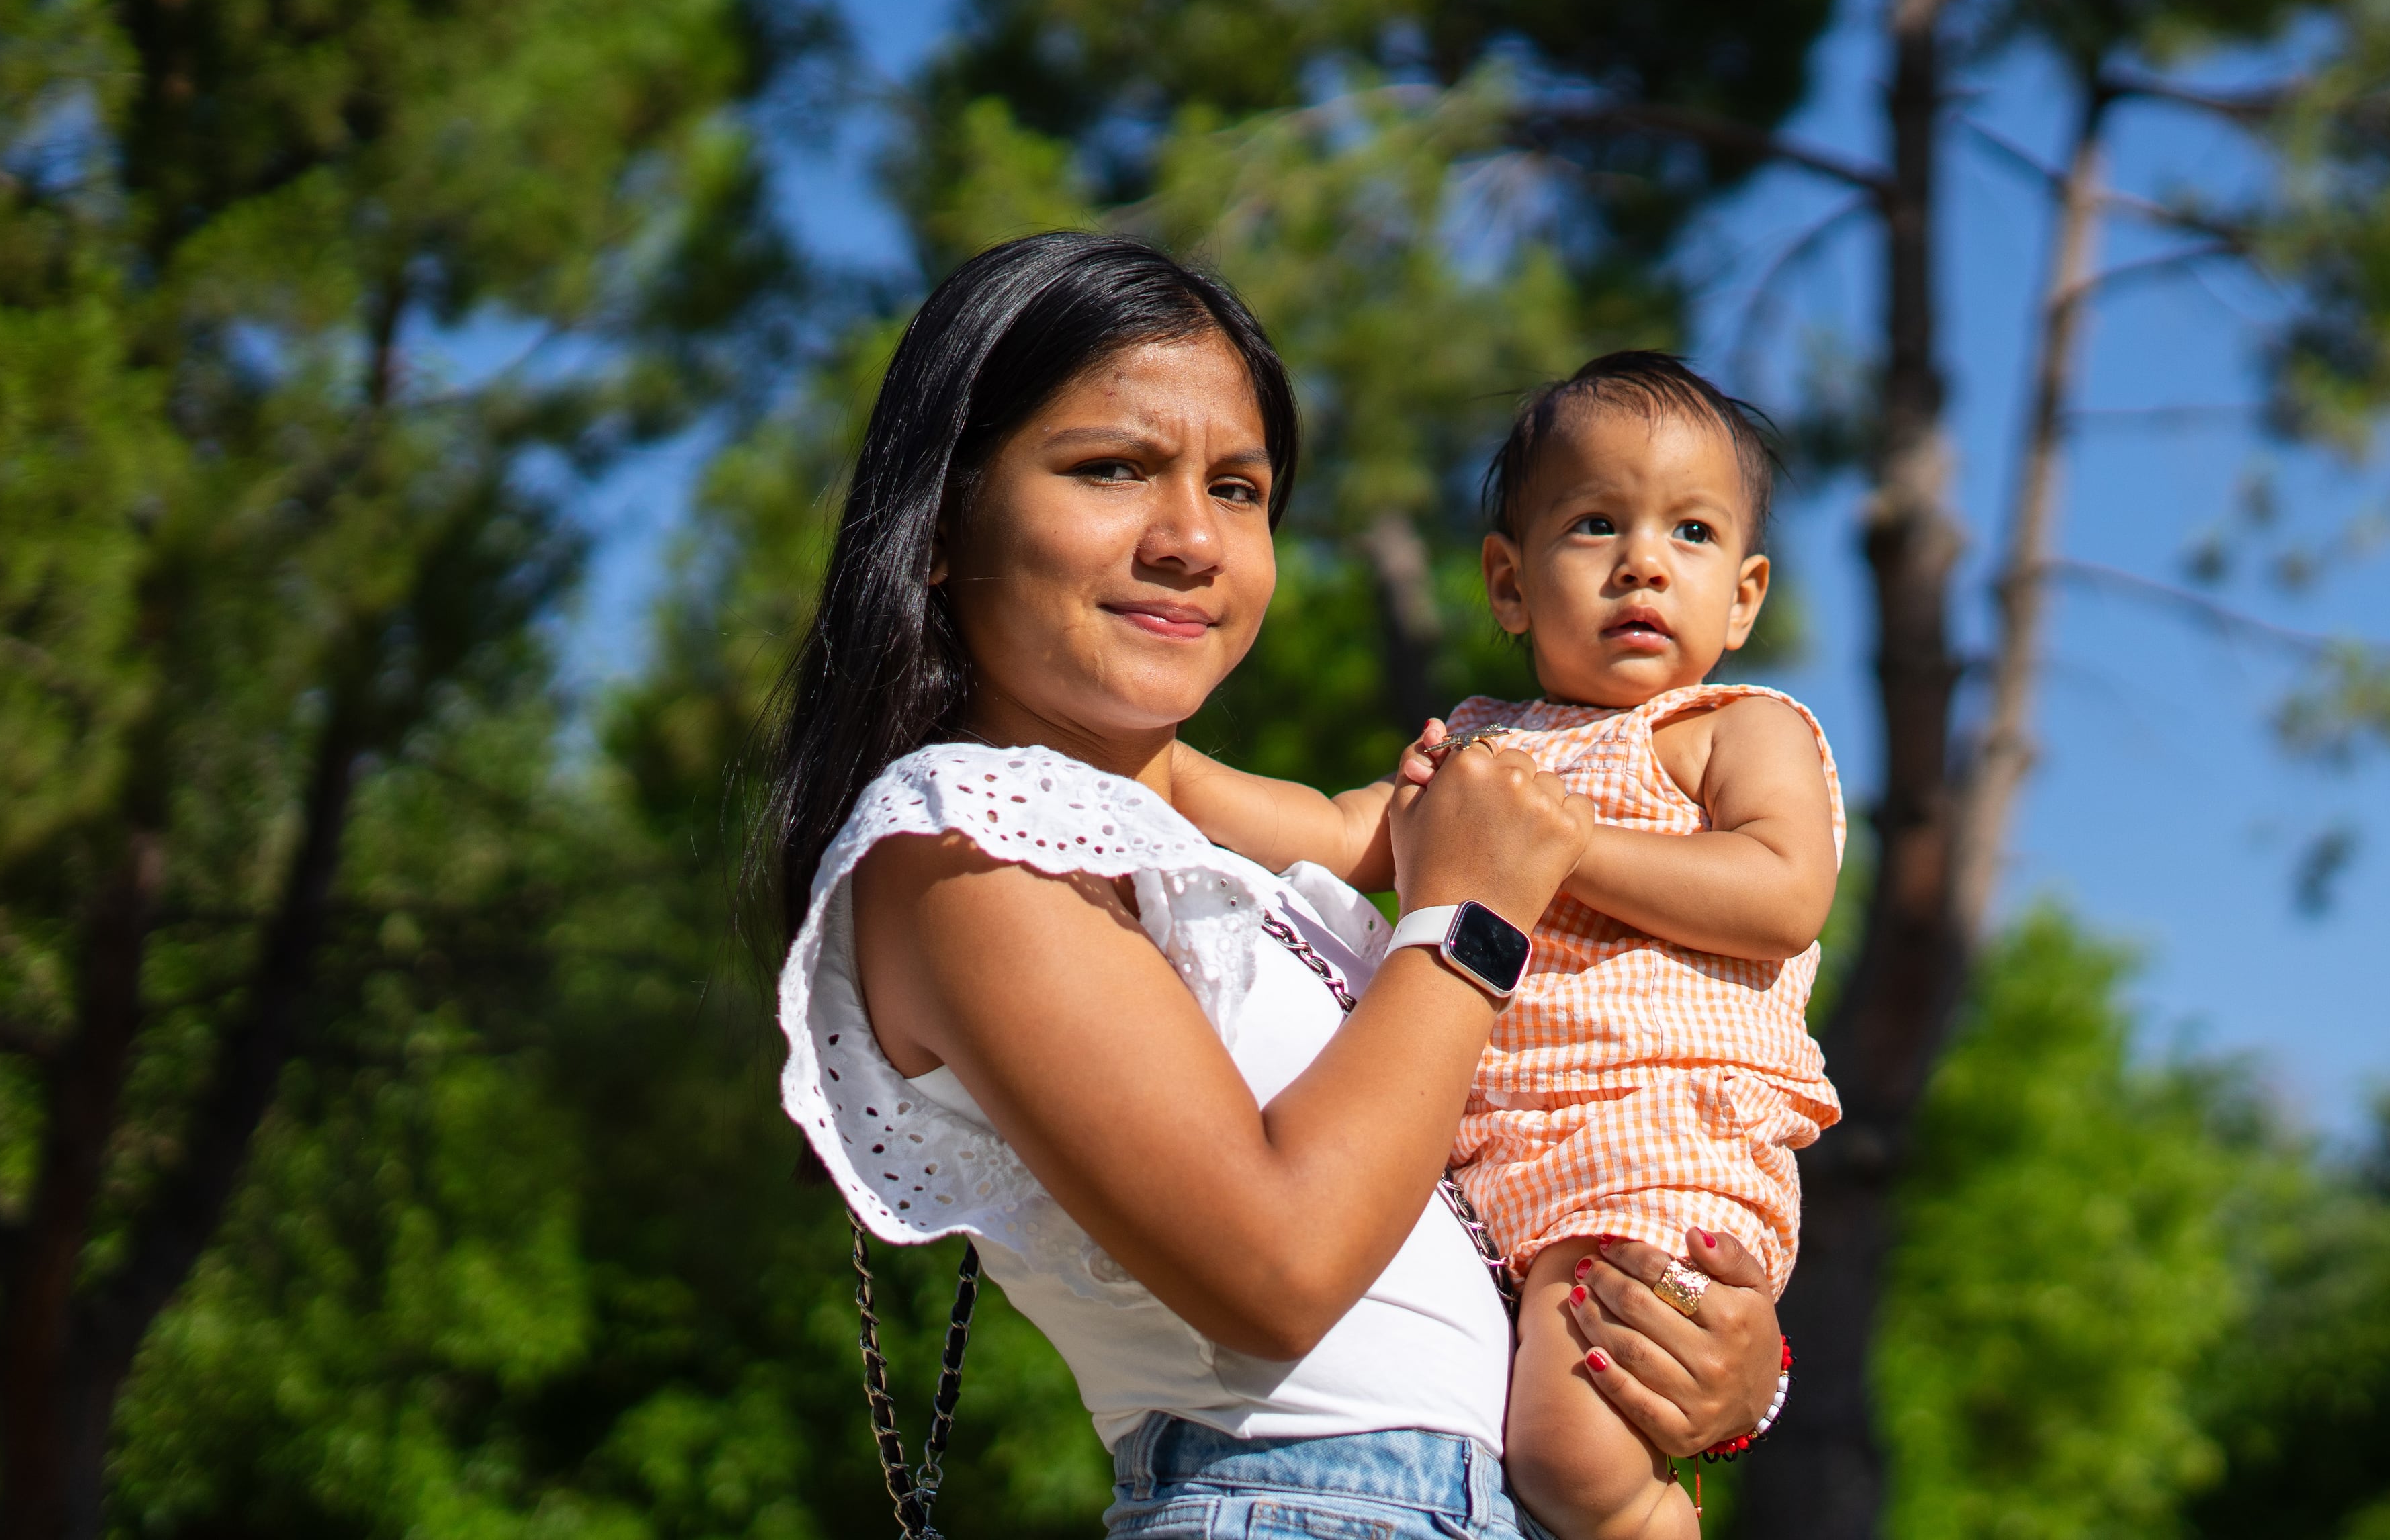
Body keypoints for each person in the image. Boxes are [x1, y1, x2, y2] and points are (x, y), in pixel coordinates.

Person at [764, 236, 1789, 1540]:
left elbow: (1451, 1222)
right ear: (940, 527)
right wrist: (1471, 917)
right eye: (1110, 467)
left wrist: (1721, 1369)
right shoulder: (965, 845)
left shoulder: (1220, 868)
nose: (1191, 539)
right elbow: (1279, 1270)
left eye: (1237, 488)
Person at [1176, 352, 1839, 1540]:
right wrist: (1167, 773)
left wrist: (1561, 847)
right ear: (1509, 582)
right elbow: (1336, 829)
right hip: (1494, 1163)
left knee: (1575, 1455)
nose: (1644, 562)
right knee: (1514, 1441)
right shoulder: (1486, 752)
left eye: (1691, 532)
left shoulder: (1736, 730)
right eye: (1596, 524)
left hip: (1658, 1136)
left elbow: (1784, 892)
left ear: (1744, 598)